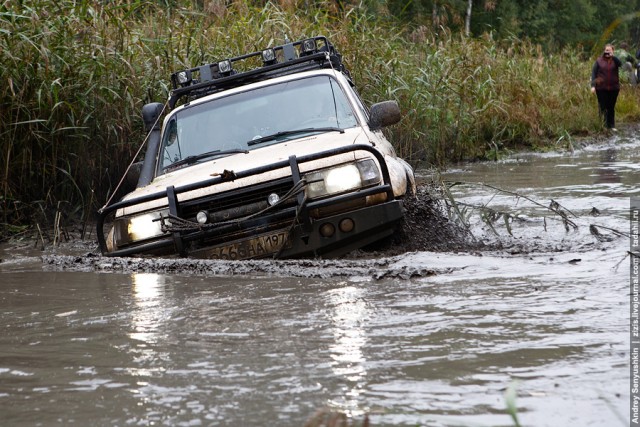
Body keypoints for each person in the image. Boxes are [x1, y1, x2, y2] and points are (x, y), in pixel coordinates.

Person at [590, 44, 622, 131]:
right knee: (602, 107)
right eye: (606, 50)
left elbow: (620, 64)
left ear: (613, 51)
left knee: (611, 107)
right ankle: (602, 126)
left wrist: (613, 56)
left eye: (609, 50)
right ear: (604, 51)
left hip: (614, 88)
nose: (608, 52)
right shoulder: (599, 61)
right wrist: (593, 86)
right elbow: (594, 73)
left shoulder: (615, 60)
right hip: (601, 88)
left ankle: (611, 126)